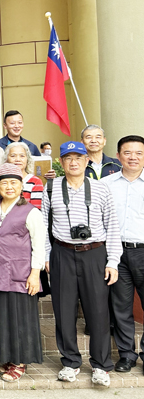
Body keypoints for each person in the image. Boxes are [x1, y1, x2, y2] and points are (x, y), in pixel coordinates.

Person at [44, 141, 122, 387]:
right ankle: (70, 361)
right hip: (62, 253)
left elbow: (112, 227)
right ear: (61, 162)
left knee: (98, 311)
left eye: (79, 157)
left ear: (87, 160)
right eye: (68, 158)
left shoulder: (101, 189)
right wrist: (47, 256)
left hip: (95, 253)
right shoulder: (51, 187)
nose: (74, 162)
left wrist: (113, 261)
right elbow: (44, 226)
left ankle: (101, 365)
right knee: (63, 310)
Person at [0, 163, 45, 382]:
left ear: (21, 185)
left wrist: (35, 273)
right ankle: (8, 357)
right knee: (1, 316)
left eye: (14, 183)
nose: (9, 187)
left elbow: (39, 244)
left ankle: (20, 361)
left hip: (21, 273)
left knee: (20, 317)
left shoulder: (31, 211)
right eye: (4, 183)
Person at [100, 135, 144, 374]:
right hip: (117, 253)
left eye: (138, 153)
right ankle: (126, 355)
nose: (133, 157)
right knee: (121, 307)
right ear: (118, 156)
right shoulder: (107, 184)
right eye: (127, 153)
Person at [3, 142, 43, 210]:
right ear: (6, 159)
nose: (18, 159)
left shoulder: (35, 182)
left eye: (22, 156)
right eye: (13, 156)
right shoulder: (1, 181)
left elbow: (35, 210)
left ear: (27, 159)